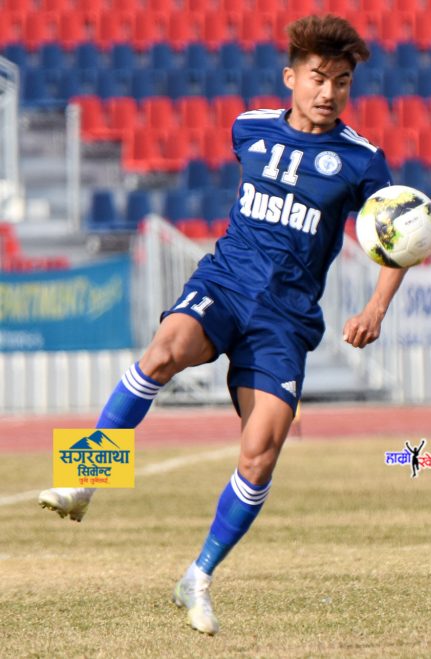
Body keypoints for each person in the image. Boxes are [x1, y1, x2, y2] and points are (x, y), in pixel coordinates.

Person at [37, 15, 404, 636]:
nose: (329, 92)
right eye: (318, 78)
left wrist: (375, 309)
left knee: (261, 454)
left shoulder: (362, 161)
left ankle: (197, 578)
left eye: (342, 82)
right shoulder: (249, 128)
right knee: (164, 350)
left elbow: (397, 237)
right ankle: (84, 479)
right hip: (226, 285)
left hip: (285, 320)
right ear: (290, 78)